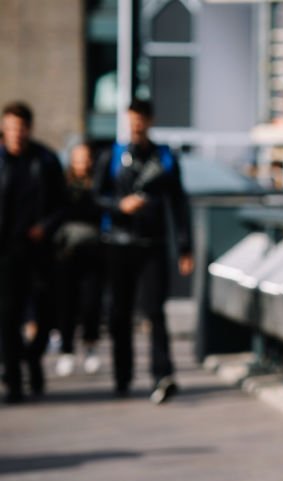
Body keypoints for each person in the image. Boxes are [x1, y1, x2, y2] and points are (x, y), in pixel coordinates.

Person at [93, 99, 193, 403]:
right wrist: (119, 205)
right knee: (119, 313)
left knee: (154, 311)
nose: (136, 125)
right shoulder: (111, 155)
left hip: (153, 245)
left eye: (141, 120)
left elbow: (178, 204)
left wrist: (185, 246)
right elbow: (96, 196)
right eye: (132, 119)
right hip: (119, 244)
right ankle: (122, 376)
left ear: (150, 121)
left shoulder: (165, 158)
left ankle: (163, 375)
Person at [0, 101, 66, 404]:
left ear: (29, 128)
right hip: (6, 252)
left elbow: (63, 205)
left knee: (47, 313)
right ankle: (14, 382)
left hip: (39, 250)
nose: (16, 134)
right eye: (10, 128)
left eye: (21, 128)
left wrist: (46, 226)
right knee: (9, 318)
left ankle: (32, 359)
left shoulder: (46, 160)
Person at [54, 143, 104, 377]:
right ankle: (67, 350)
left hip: (94, 255)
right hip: (67, 254)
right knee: (66, 304)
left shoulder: (99, 184)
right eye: (78, 159)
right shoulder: (62, 186)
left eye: (86, 159)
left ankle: (91, 346)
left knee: (91, 303)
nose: (82, 163)